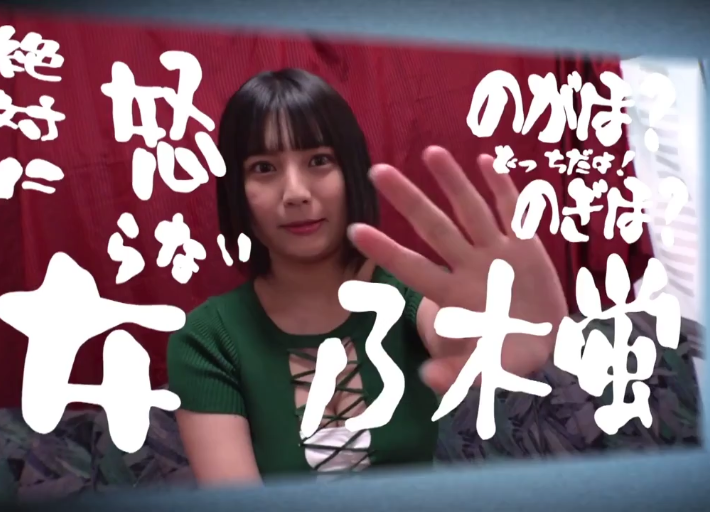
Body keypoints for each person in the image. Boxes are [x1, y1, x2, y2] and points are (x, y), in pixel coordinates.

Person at [166, 68, 568, 485]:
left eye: (319, 160)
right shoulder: (207, 339)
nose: (296, 192)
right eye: (264, 167)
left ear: (351, 171)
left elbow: (454, 335)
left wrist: (503, 328)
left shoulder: (405, 293)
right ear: (235, 188)